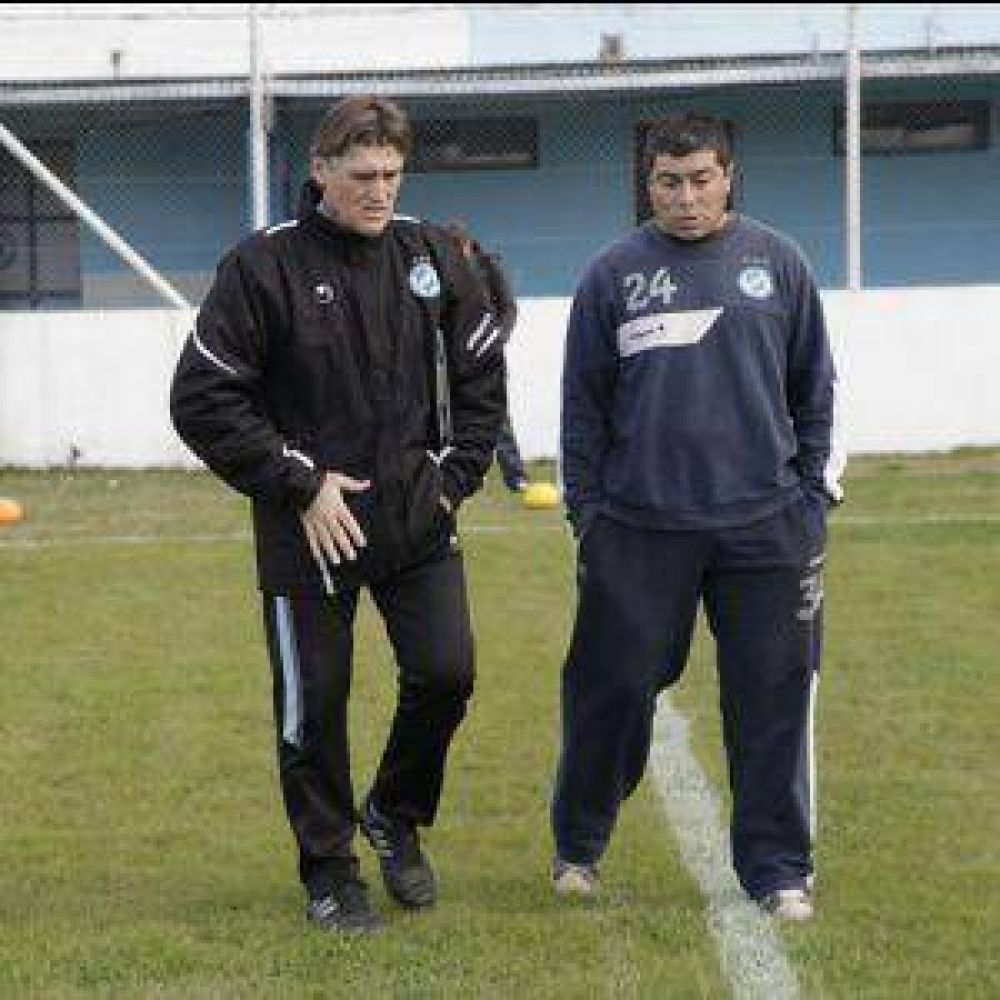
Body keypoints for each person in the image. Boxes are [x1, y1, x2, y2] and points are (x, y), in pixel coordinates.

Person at [170, 95, 506, 934]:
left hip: (415, 520)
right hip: (307, 526)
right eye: (362, 175)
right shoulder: (261, 267)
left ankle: (394, 812)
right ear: (319, 170)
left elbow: (481, 379)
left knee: (447, 675)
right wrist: (298, 481)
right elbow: (203, 399)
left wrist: (453, 480)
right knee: (313, 705)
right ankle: (329, 873)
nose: (380, 190)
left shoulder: (432, 256)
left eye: (392, 173)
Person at [551, 112, 843, 921]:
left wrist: (808, 497)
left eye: (701, 178)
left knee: (773, 696)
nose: (686, 197)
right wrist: (590, 516)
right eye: (668, 181)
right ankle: (579, 844)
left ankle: (780, 868)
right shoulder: (612, 275)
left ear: (729, 175)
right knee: (611, 691)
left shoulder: (778, 264)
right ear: (648, 184)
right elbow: (583, 408)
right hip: (641, 529)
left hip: (767, 527)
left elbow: (814, 388)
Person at [445, 219, 530, 493]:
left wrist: (494, 340)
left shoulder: (489, 267)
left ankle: (516, 476)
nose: (456, 256)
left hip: (487, 354)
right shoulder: (443, 269)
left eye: (459, 250)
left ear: (468, 246)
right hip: (451, 354)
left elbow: (508, 308)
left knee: (497, 414)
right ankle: (452, 475)